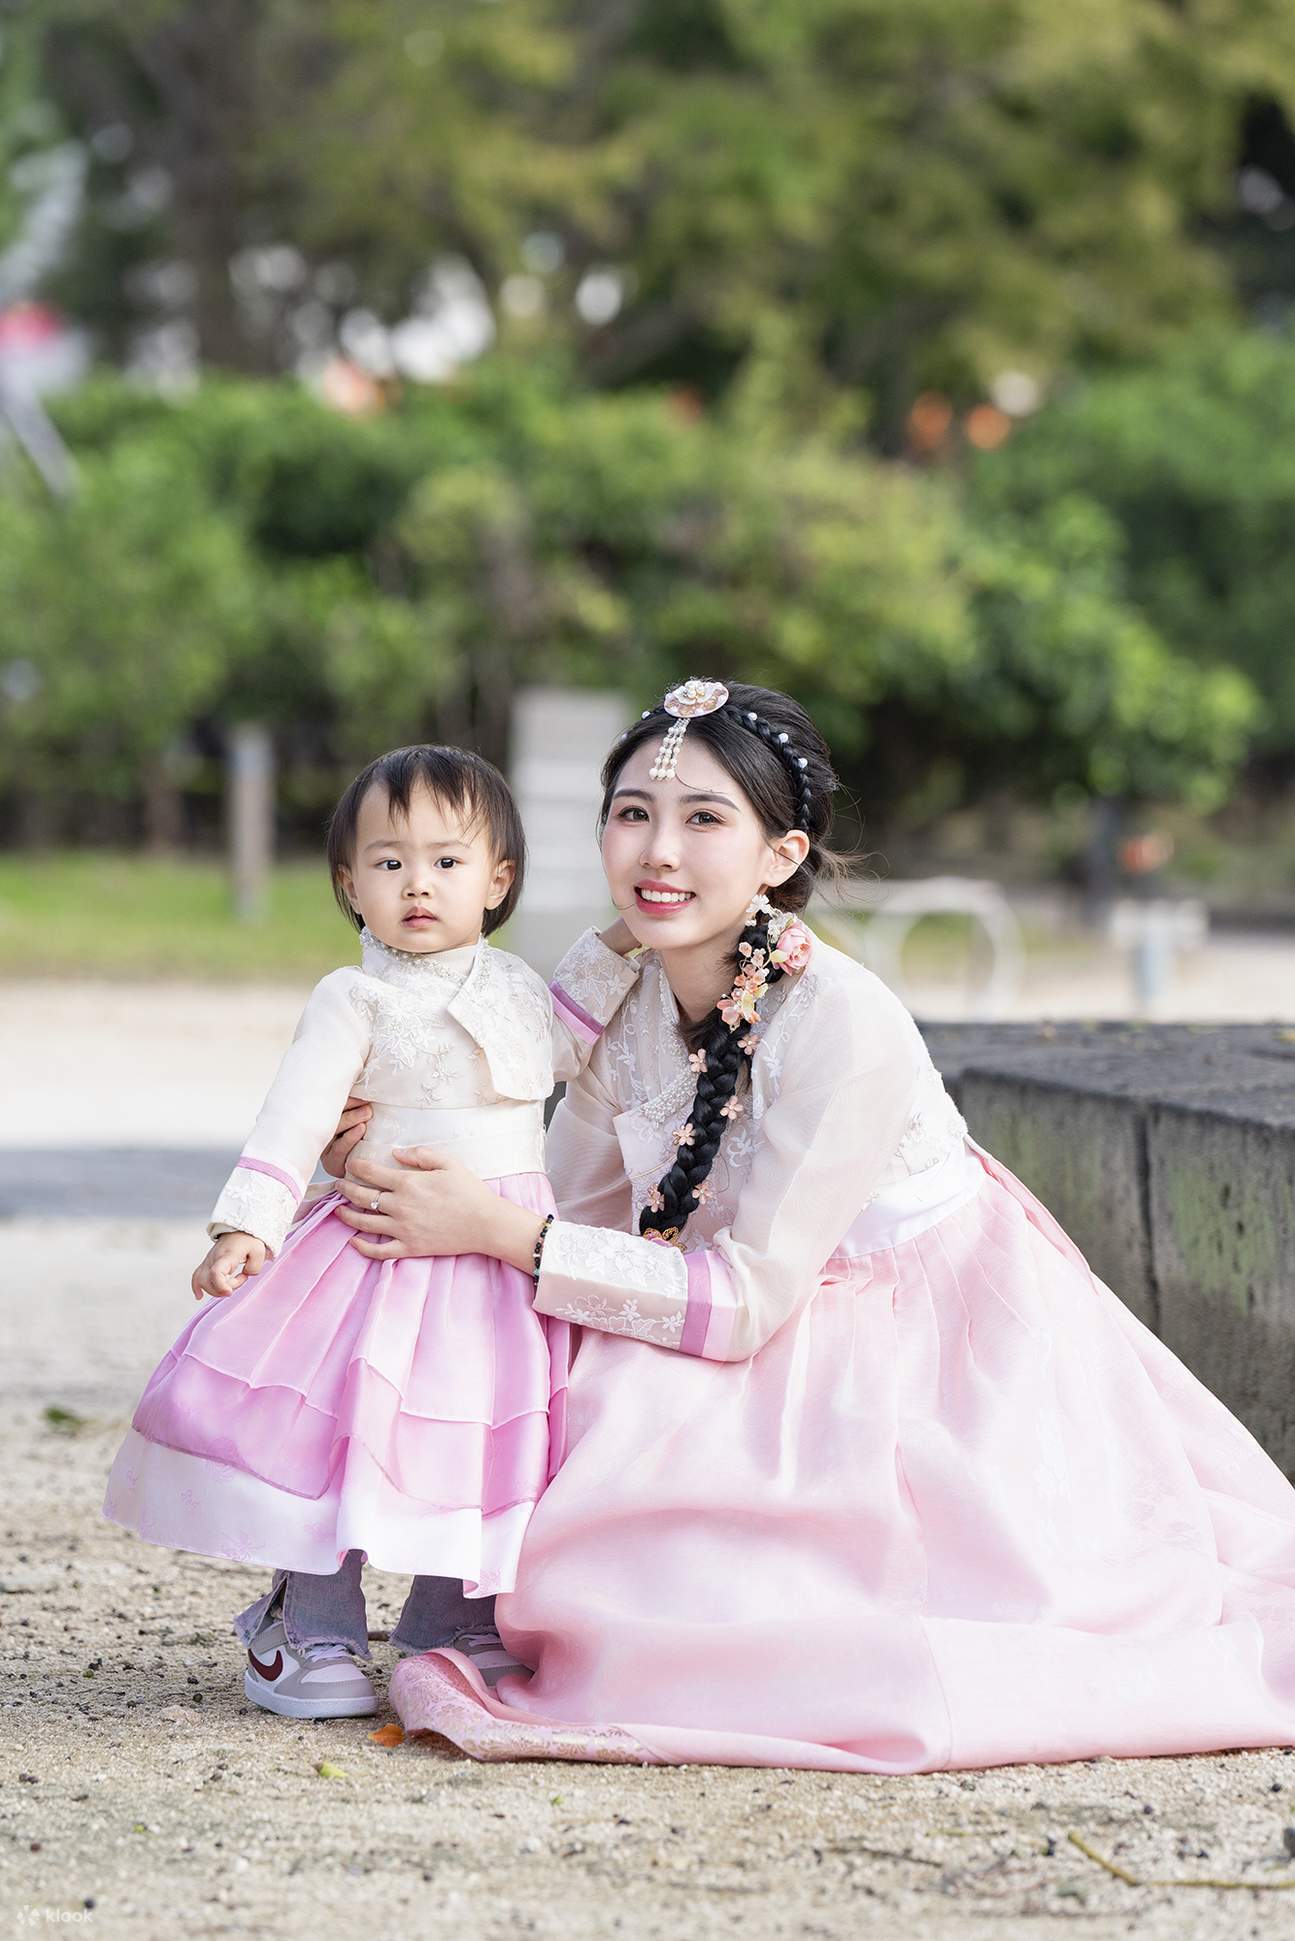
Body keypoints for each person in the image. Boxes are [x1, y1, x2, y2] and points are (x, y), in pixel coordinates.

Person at [326, 680, 1295, 1771]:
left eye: (703, 820)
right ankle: (332, 1584)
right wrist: (392, 1156)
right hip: (721, 1311)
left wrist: (495, 1232)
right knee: (455, 1307)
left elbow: (741, 1302)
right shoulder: (617, 1007)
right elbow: (561, 1216)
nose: (658, 852)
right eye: (633, 813)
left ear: (780, 855)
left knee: (737, 1622)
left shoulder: (841, 1018)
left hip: (926, 1350)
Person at [103, 744, 639, 1720]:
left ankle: (450, 1618)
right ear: (350, 884)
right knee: (351, 1427)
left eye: (446, 861)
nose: (418, 885)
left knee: (480, 1433)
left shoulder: (517, 985)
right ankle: (311, 1619)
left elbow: (566, 1035)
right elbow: (296, 1116)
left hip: (494, 1260)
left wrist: (623, 940)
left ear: (498, 880)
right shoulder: (353, 997)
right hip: (379, 1248)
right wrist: (248, 1223)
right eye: (388, 863)